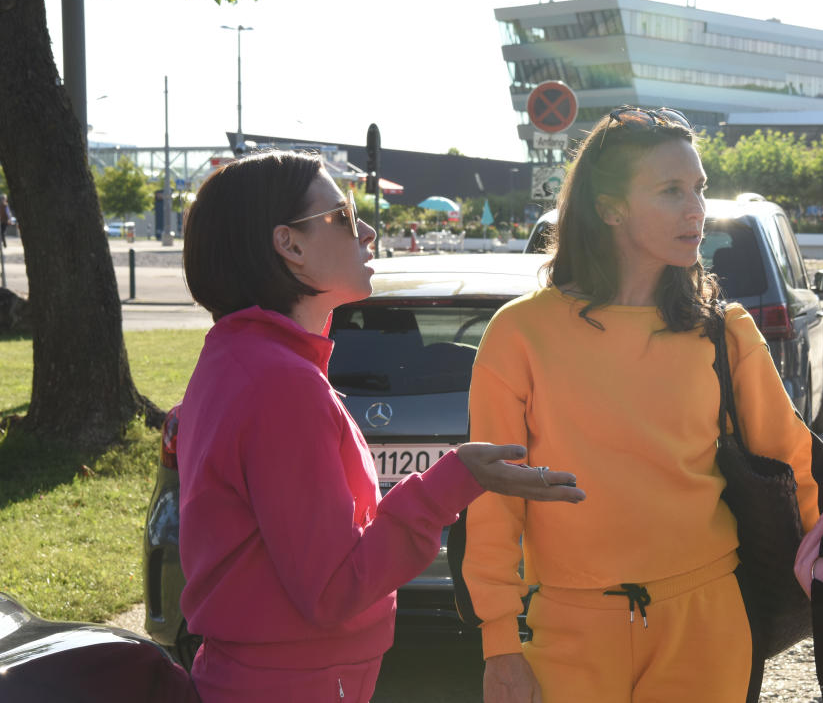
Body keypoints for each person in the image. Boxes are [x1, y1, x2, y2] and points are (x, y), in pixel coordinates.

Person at [463, 106, 823, 703]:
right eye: (671, 190)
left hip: (708, 621)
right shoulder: (519, 333)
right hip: (567, 630)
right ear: (609, 207)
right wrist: (499, 648)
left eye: (698, 187)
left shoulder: (724, 330)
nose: (696, 207)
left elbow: (798, 477)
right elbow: (496, 500)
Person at [177, 150, 585, 703]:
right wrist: (452, 479)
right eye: (343, 216)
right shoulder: (280, 384)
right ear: (289, 245)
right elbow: (334, 589)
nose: (367, 230)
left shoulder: (240, 358)